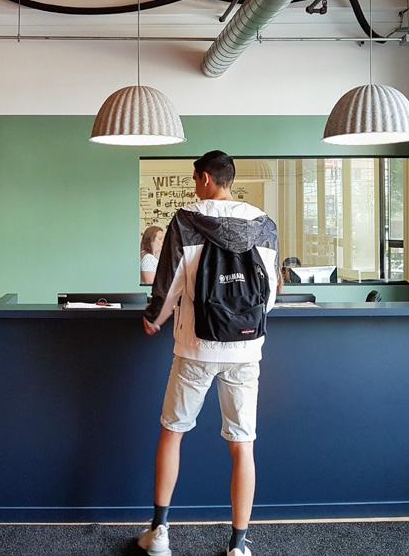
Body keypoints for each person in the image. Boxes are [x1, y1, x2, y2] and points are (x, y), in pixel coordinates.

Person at [138, 151, 280, 556]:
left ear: (204, 178)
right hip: (246, 349)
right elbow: (269, 294)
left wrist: (155, 318)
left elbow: (169, 284)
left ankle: (160, 533)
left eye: (194, 178)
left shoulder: (186, 220)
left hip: (195, 347)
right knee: (243, 444)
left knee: (173, 432)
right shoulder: (264, 224)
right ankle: (238, 545)